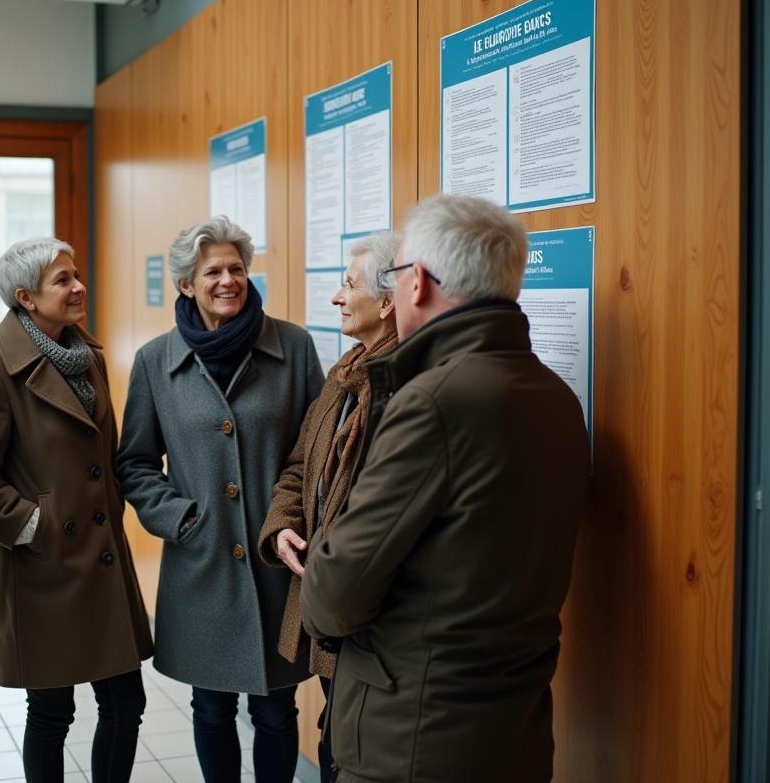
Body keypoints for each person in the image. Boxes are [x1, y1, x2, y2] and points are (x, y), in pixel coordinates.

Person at [299, 194, 590, 783]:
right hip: (511, 726)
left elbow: (333, 599)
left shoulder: (433, 401)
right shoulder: (557, 396)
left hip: (412, 737)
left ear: (419, 283)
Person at [117, 215, 324, 783]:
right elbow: (135, 463)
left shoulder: (294, 347)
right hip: (201, 561)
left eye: (236, 269)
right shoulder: (155, 361)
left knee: (277, 709)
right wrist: (181, 520)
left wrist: (293, 521)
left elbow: (318, 451)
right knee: (210, 707)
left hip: (277, 559)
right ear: (187, 284)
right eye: (213, 272)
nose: (228, 281)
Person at [0, 237, 154, 783]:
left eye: (76, 276)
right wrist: (34, 526)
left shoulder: (89, 357)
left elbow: (103, 456)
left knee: (126, 704)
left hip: (101, 557)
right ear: (26, 297)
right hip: (43, 565)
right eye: (63, 280)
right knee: (52, 714)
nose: (79, 287)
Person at [257, 231, 401, 783]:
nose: (338, 297)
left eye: (349, 285)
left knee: (353, 752)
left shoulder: (403, 388)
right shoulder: (346, 373)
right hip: (327, 601)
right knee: (335, 742)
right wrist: (283, 526)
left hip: (368, 615)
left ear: (387, 303)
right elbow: (299, 466)